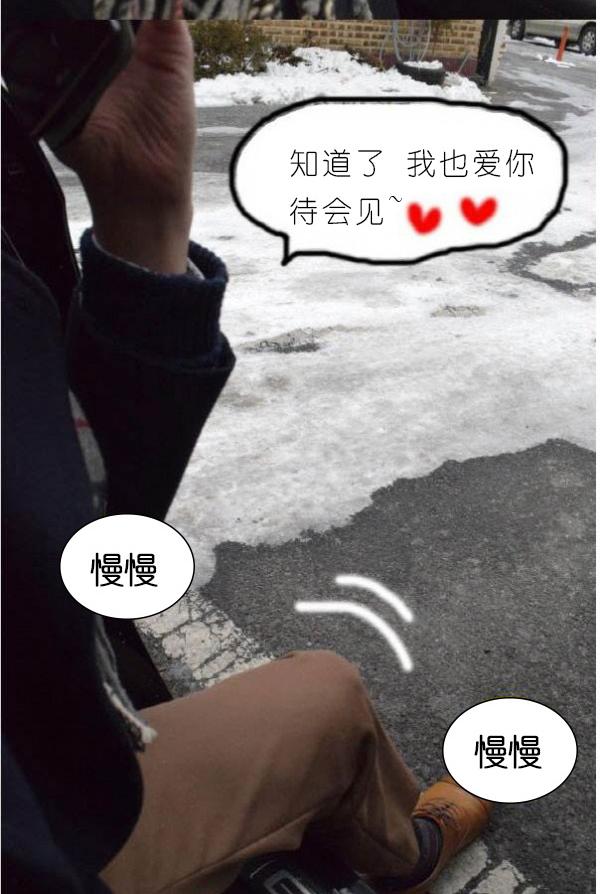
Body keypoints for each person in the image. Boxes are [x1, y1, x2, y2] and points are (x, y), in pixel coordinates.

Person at [2, 14, 492, 894]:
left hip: (46, 762)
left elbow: (68, 517)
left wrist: (143, 217)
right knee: (329, 700)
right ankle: (408, 857)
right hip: (51, 832)